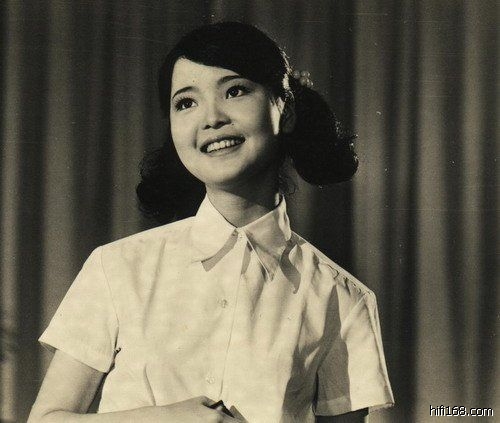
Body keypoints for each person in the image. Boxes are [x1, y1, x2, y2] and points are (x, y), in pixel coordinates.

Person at [29, 21, 394, 422]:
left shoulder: (344, 299)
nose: (211, 118)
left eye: (235, 91)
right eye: (186, 103)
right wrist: (163, 418)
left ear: (285, 110)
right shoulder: (115, 267)